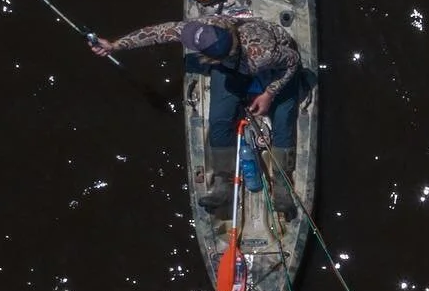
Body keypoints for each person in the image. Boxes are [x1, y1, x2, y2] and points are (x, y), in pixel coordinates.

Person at [91, 16, 300, 214]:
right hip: (229, 65)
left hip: (273, 68)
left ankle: (282, 183)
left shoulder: (261, 54)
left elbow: (293, 61)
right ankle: (223, 182)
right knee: (219, 119)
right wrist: (116, 45)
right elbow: (159, 32)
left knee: (283, 117)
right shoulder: (205, 27)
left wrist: (269, 93)